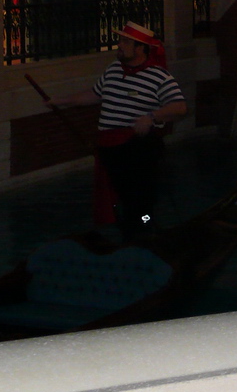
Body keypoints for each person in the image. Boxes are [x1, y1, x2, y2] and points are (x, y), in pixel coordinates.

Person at [47, 21, 185, 239]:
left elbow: (179, 107)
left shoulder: (159, 76)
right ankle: (135, 231)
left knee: (140, 198)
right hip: (111, 149)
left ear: (140, 48)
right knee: (122, 196)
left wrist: (151, 117)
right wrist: (60, 101)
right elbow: (93, 94)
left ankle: (143, 226)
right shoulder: (113, 70)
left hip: (138, 147)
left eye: (125, 42)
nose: (119, 45)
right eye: (120, 40)